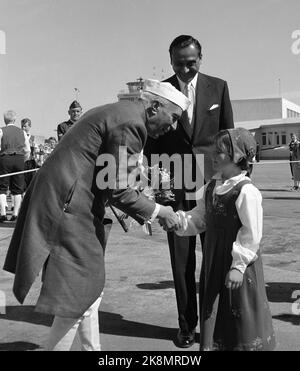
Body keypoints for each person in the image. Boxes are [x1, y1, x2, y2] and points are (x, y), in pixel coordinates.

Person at [3, 79, 190, 351]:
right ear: (154, 107)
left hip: (67, 201)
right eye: (172, 118)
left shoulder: (120, 112)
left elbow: (107, 176)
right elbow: (119, 189)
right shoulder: (131, 123)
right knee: (77, 295)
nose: (172, 126)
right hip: (68, 207)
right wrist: (160, 212)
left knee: (90, 293)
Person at [144, 34, 234, 347]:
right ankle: (186, 326)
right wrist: (159, 187)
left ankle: (215, 324)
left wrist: (229, 181)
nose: (186, 69)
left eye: (191, 62)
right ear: (171, 62)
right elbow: (152, 143)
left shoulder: (218, 87)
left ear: (201, 58)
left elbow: (228, 137)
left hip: (212, 187)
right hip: (176, 187)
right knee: (182, 262)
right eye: (180, 63)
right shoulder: (159, 94)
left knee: (215, 257)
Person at [174, 127, 276, 351]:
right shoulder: (212, 186)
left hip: (237, 268)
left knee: (240, 317)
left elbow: (251, 233)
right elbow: (200, 219)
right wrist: (178, 221)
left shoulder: (245, 191)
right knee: (215, 311)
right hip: (214, 262)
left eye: (219, 152)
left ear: (237, 156)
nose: (213, 156)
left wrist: (238, 266)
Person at [0, 111, 30, 222]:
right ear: (14, 120)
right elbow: (27, 150)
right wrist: (23, 160)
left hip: (4, 158)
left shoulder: (1, 130)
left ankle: (3, 214)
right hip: (19, 159)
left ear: (4, 120)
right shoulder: (22, 132)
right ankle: (15, 214)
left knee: (2, 188)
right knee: (18, 189)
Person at [21, 118, 37, 191]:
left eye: (25, 126)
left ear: (29, 126)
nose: (23, 128)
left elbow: (35, 149)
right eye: (22, 126)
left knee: (31, 179)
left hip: (31, 161)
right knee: (22, 180)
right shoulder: (19, 136)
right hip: (22, 160)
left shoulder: (33, 137)